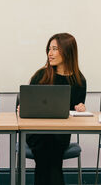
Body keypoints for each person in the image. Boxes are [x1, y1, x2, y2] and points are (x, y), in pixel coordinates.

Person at [25, 33, 87, 185]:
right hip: (36, 131)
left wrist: (81, 108)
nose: (49, 53)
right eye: (49, 49)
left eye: (55, 49)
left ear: (67, 51)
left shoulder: (79, 80)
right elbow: (29, 104)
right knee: (49, 151)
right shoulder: (41, 75)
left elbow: (75, 113)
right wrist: (23, 107)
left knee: (48, 152)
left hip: (60, 133)